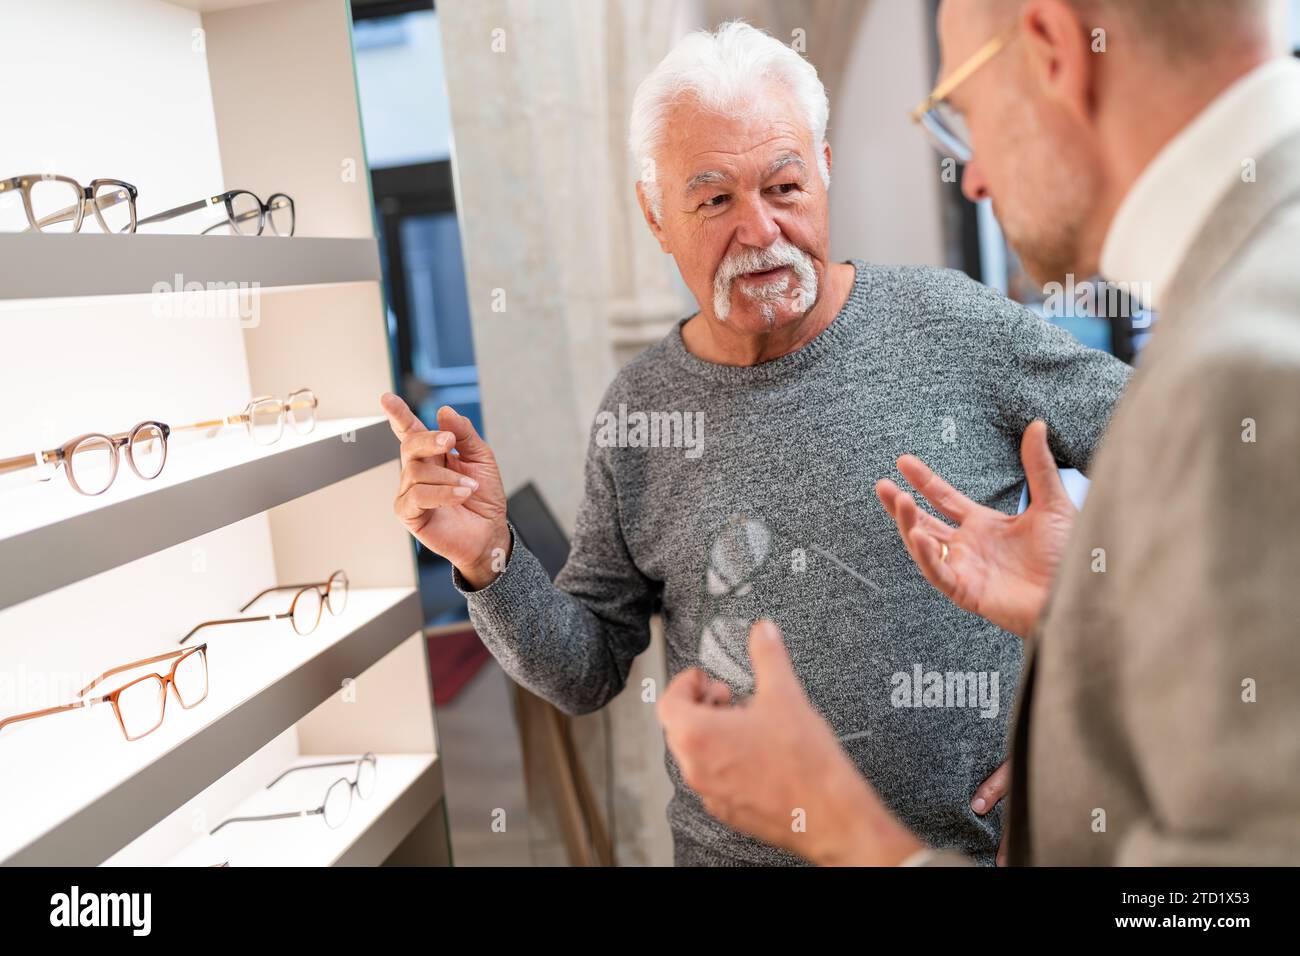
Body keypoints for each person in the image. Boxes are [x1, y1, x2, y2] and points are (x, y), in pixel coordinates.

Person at [382, 19, 1129, 866]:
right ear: (655, 215)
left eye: (784, 187)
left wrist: (1083, 720)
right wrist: (489, 561)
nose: (761, 231)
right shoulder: (640, 413)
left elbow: (1196, 469)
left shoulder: (961, 326)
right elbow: (583, 671)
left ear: (826, 172)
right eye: (713, 200)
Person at [657, 0, 1300, 866]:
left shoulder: (1248, 367)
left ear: (1052, 49)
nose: (973, 177)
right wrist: (1077, 627)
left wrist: (839, 826)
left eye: (962, 108)